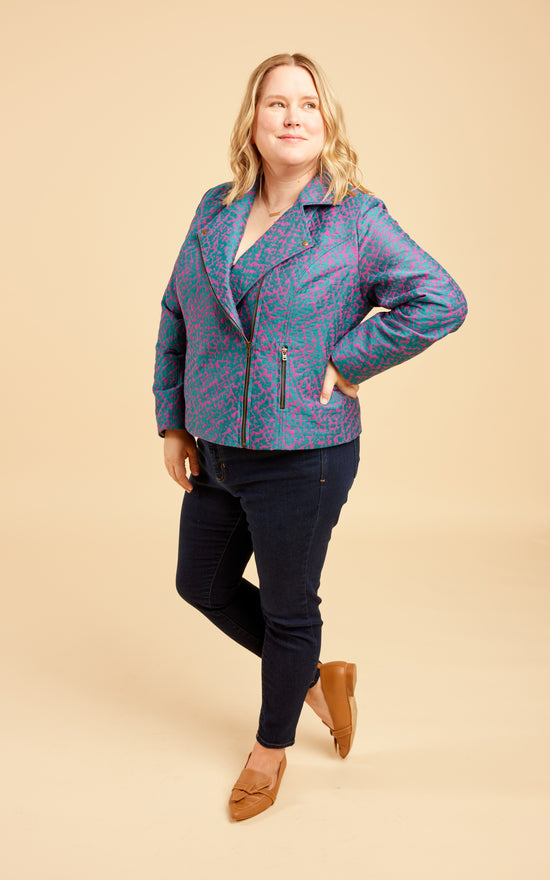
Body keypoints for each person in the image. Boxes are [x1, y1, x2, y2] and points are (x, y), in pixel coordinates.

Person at [152, 52, 468, 821]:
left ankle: (270, 748)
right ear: (252, 120)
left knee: (290, 608)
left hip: (304, 452)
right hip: (216, 442)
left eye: (308, 104)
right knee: (201, 584)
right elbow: (176, 313)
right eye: (276, 103)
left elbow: (441, 299)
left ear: (327, 123)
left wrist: (350, 360)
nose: (292, 116)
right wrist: (173, 418)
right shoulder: (215, 208)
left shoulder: (355, 218)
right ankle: (318, 679)